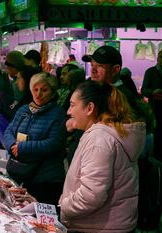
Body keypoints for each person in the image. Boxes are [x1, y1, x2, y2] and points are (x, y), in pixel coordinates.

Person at [60, 81, 146, 232]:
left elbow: (91, 195)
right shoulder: (105, 134)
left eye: (72, 105)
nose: (69, 111)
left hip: (99, 228)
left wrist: (62, 207)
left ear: (90, 108)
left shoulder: (99, 140)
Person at [4, 72, 66, 205]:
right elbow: (9, 131)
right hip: (21, 173)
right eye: (35, 89)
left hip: (45, 179)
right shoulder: (23, 110)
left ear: (53, 91)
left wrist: (22, 147)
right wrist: (11, 145)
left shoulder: (58, 113)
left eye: (44, 90)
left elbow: (54, 143)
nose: (38, 94)